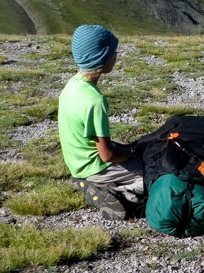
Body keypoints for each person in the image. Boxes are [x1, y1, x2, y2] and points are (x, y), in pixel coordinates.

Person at [58, 24, 144, 220]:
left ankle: (86, 181)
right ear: (102, 56)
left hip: (77, 163)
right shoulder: (94, 100)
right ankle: (117, 193)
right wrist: (134, 151)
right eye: (113, 51)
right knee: (155, 176)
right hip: (96, 167)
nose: (116, 55)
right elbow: (107, 155)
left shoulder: (72, 85)